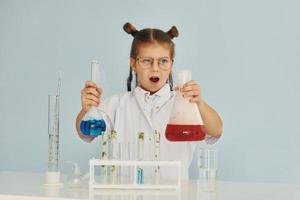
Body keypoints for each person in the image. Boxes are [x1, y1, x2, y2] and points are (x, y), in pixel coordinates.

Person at [76, 22, 223, 179]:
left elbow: (216, 131)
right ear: (133, 64)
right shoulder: (117, 104)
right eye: (146, 61)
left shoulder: (184, 104)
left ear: (171, 64)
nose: (155, 68)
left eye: (163, 61)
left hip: (173, 194)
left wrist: (199, 103)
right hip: (126, 194)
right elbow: (85, 133)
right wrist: (87, 110)